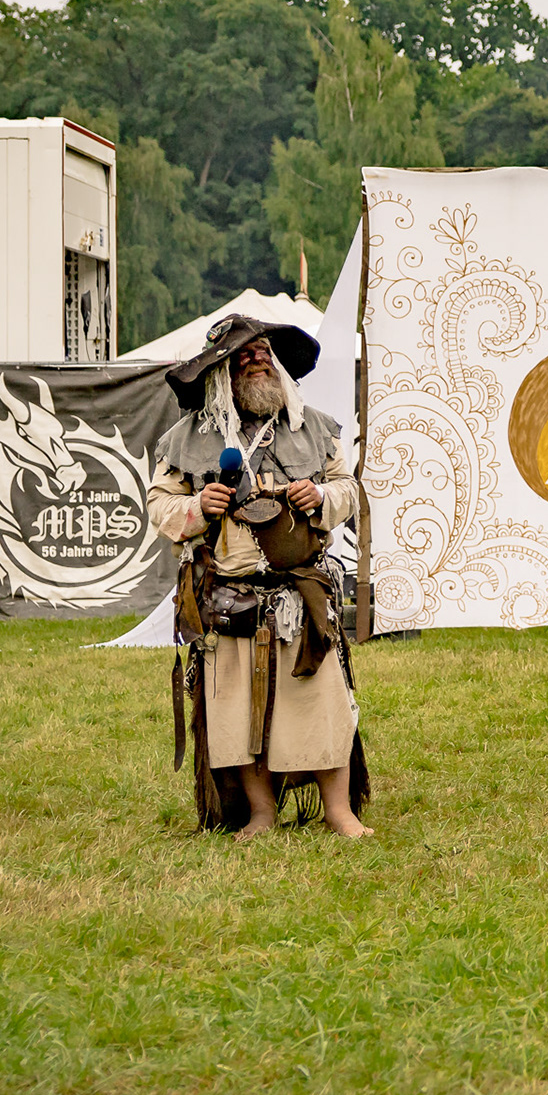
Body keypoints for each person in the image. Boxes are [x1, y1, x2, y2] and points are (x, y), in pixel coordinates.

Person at [148, 316, 373, 839]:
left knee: (321, 705)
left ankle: (339, 813)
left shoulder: (314, 426)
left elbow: (349, 490)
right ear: (220, 372)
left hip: (300, 597)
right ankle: (262, 812)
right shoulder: (187, 439)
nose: (256, 360)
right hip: (229, 599)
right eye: (241, 356)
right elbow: (159, 505)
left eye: (262, 352)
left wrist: (320, 497)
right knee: (235, 717)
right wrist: (198, 507)